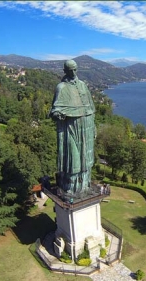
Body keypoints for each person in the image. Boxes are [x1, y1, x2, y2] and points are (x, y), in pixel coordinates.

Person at [49, 60, 96, 194]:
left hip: (86, 127)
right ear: (65, 71)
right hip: (71, 128)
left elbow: (91, 108)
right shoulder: (61, 87)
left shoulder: (83, 85)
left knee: (86, 159)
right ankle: (71, 187)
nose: (73, 73)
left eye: (75, 69)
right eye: (70, 70)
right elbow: (54, 111)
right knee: (73, 158)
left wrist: (93, 126)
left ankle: (85, 184)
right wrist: (58, 115)